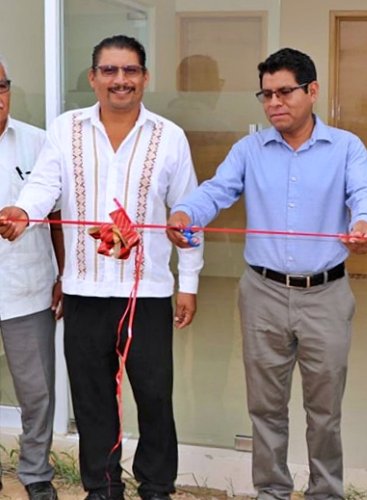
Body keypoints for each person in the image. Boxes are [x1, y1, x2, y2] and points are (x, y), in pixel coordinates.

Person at [166, 47, 367, 498]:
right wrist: (186, 212)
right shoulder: (249, 149)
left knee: (324, 410)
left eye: (285, 92)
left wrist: (365, 223)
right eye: (265, 95)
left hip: (326, 295)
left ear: (313, 91)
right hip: (261, 293)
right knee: (265, 407)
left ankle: (325, 491)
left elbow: (365, 193)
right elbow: (215, 192)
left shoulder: (346, 147)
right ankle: (271, 491)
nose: (274, 103)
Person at [0, 35, 203, 500]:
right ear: (93, 78)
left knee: (154, 398)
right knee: (92, 401)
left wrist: (187, 283)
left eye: (130, 71)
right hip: (84, 291)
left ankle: (156, 487)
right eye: (109, 71)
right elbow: (44, 186)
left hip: (146, 292)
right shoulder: (66, 129)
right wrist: (23, 213)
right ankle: (102, 487)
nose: (120, 80)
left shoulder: (168, 136)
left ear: (145, 78)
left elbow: (189, 213)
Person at [0, 55, 64, 500]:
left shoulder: (39, 143)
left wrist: (63, 274)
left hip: (29, 288)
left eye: (1, 86)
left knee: (37, 393)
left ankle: (36, 474)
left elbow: (58, 217)